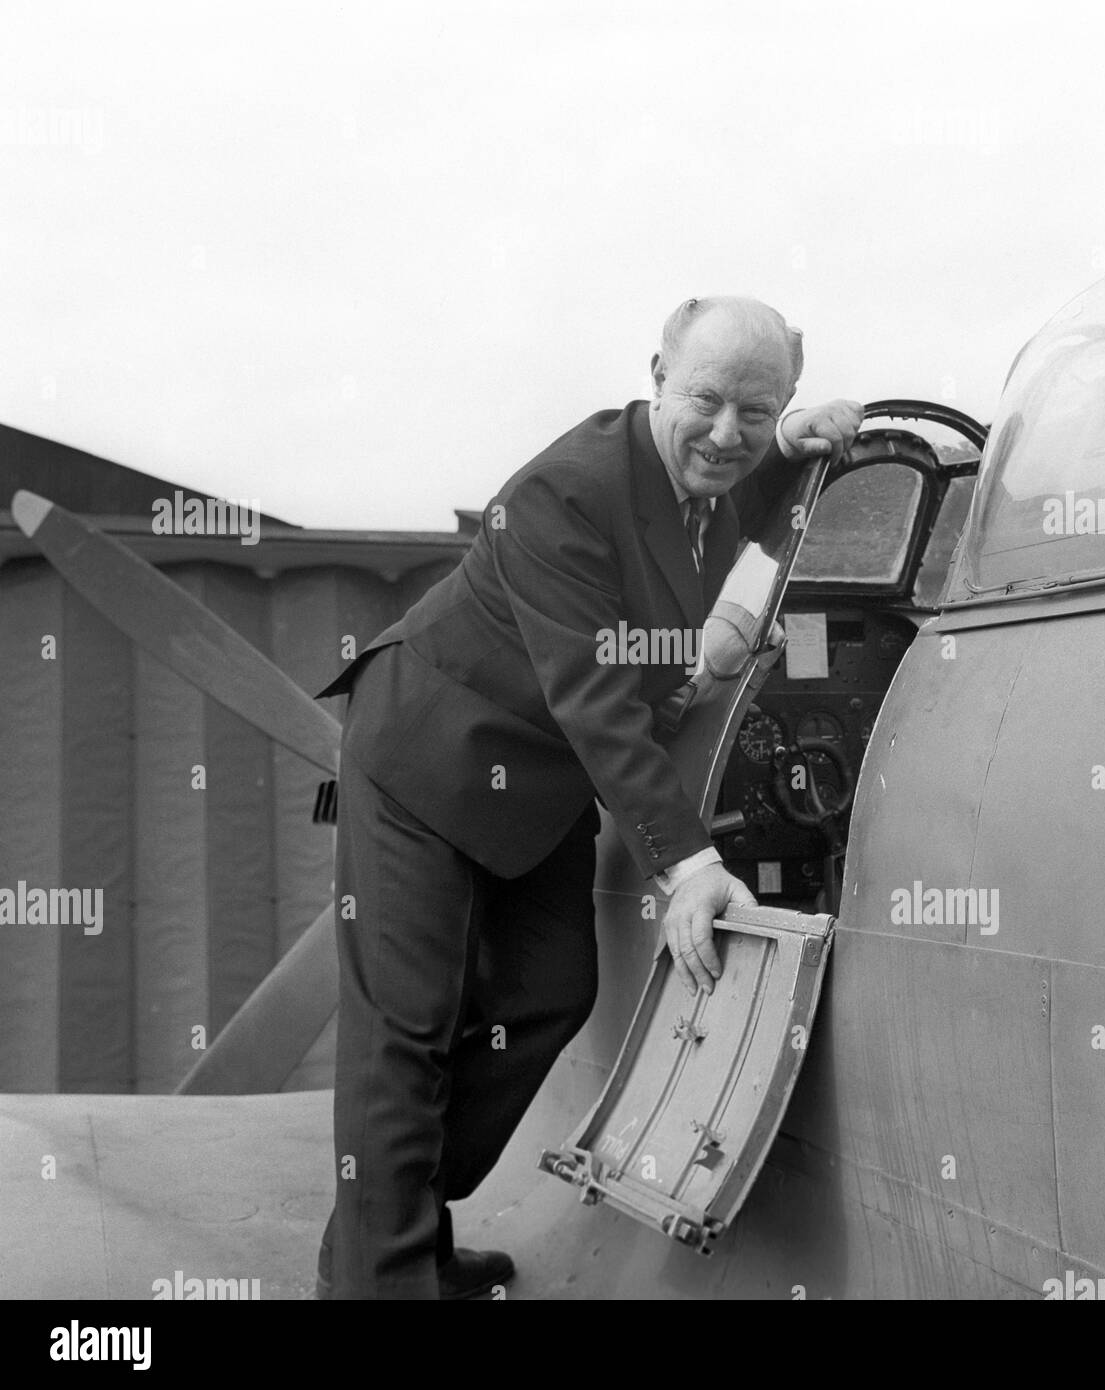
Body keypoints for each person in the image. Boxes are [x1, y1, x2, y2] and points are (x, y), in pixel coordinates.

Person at [314, 295, 863, 1298]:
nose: (725, 431)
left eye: (758, 406)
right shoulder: (565, 493)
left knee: (549, 991)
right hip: (428, 760)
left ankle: (390, 1224)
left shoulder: (714, 466)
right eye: (705, 398)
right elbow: (597, 700)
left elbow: (733, 479)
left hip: (540, 779)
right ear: (656, 373)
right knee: (409, 1027)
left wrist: (787, 440)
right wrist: (692, 864)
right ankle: (380, 1277)